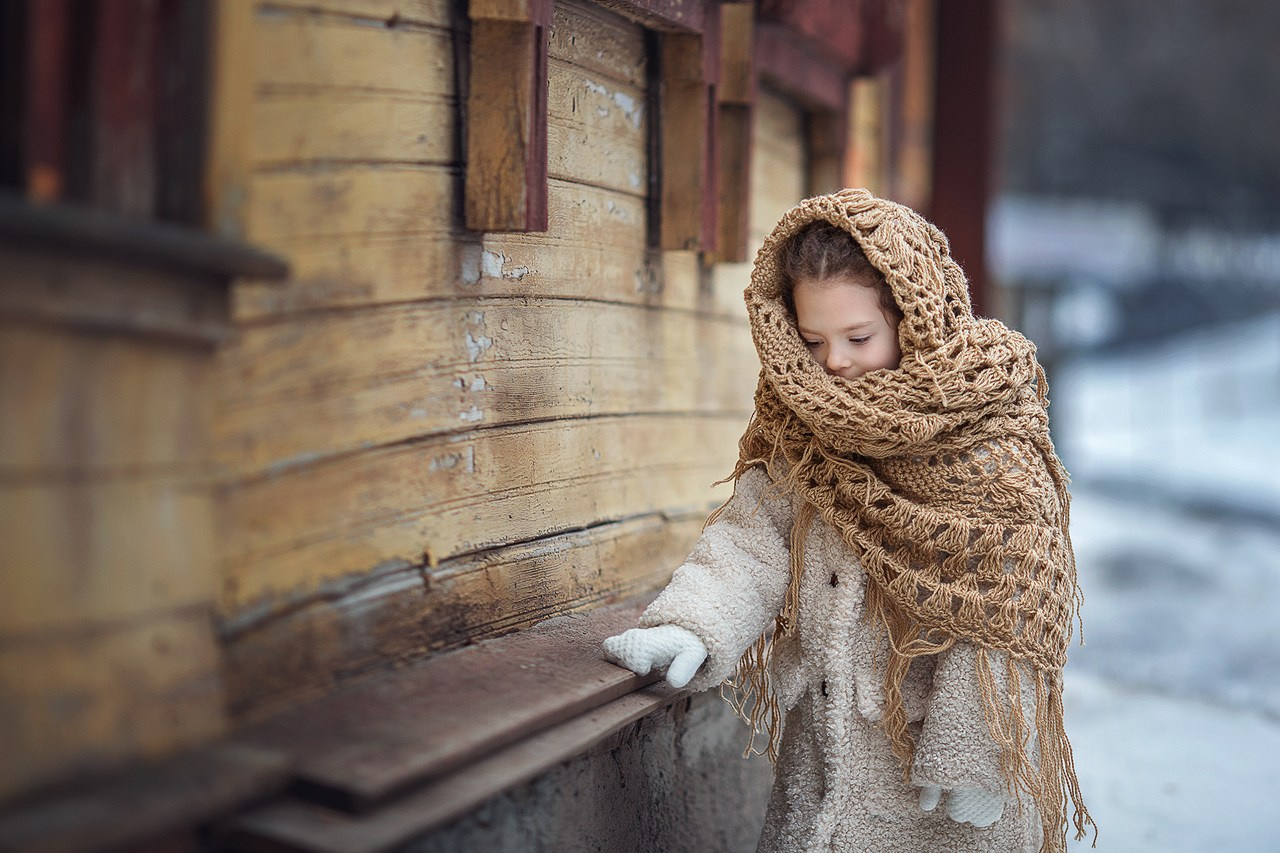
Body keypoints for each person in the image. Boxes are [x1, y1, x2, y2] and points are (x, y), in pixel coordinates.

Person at [603, 189, 1094, 853]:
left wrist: (978, 756)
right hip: (828, 765)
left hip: (945, 781)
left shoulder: (990, 444)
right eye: (812, 340)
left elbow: (1009, 606)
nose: (833, 362)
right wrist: (690, 623)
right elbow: (753, 538)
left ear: (912, 321)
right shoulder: (804, 424)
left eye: (858, 337)